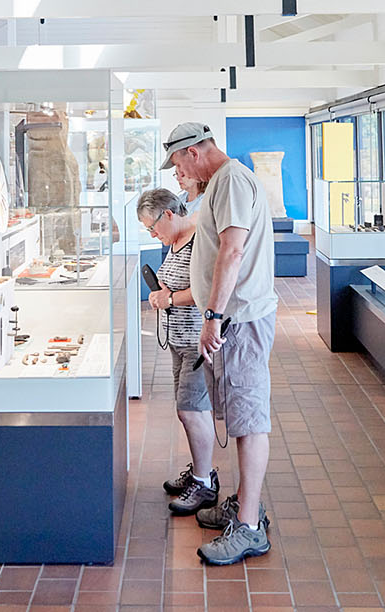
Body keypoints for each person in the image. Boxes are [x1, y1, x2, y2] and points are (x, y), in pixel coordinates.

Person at [161, 122, 278, 566]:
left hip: (239, 318)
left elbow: (231, 251)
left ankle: (248, 526)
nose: (178, 170)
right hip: (235, 317)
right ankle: (244, 502)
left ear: (192, 152)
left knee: (248, 419)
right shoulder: (223, 183)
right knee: (238, 412)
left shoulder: (229, 180)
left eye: (176, 161)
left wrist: (211, 316)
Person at [138, 188, 219, 517]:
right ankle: (202, 471)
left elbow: (209, 289)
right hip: (178, 339)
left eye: (152, 227)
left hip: (195, 341)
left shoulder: (199, 240)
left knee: (191, 410)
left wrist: (169, 299)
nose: (153, 234)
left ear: (168, 214)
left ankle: (204, 482)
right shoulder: (176, 240)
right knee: (187, 408)